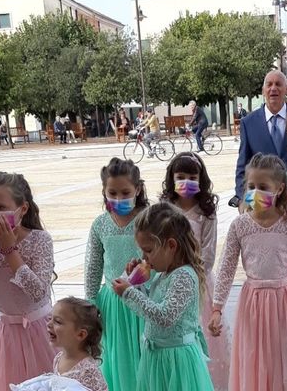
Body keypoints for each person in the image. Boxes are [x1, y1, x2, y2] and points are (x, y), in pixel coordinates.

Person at [210, 153, 287, 391]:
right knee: (257, 358)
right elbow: (226, 269)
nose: (256, 192)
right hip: (253, 304)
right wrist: (217, 308)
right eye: (251, 186)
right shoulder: (239, 226)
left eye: (263, 187)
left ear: (280, 188)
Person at [0, 172, 56, 391]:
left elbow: (39, 293)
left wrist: (9, 250)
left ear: (22, 209)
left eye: (1, 207)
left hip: (41, 332)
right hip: (3, 337)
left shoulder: (40, 240)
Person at [112, 202, 214, 391]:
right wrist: (136, 282)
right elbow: (151, 306)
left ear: (171, 245)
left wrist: (129, 292)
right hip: (156, 358)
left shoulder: (184, 275)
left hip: (177, 362)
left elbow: (165, 316)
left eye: (149, 250)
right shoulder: (163, 274)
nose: (144, 257)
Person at [161, 152, 230, 389]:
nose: (187, 182)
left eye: (193, 177)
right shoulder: (164, 209)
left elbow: (209, 253)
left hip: (199, 283)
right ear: (172, 178)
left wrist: (190, 275)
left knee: (202, 338)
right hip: (168, 280)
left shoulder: (206, 213)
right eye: (181, 176)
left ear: (201, 179)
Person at [84, 157, 149, 391]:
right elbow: (93, 267)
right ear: (104, 191)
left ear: (138, 189)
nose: (119, 199)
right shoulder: (100, 225)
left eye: (125, 192)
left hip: (144, 299)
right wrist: (91, 304)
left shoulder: (149, 218)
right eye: (112, 193)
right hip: (111, 303)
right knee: (117, 357)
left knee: (144, 356)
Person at [229, 70, 287, 208]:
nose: (273, 88)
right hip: (262, 199)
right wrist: (242, 197)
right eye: (269, 84)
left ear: (286, 89)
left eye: (278, 84)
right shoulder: (248, 123)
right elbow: (243, 164)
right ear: (263, 90)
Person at [13, 297, 108, 391]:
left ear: (80, 334)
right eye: (50, 318)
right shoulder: (59, 357)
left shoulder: (88, 370)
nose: (48, 324)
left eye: (57, 321)